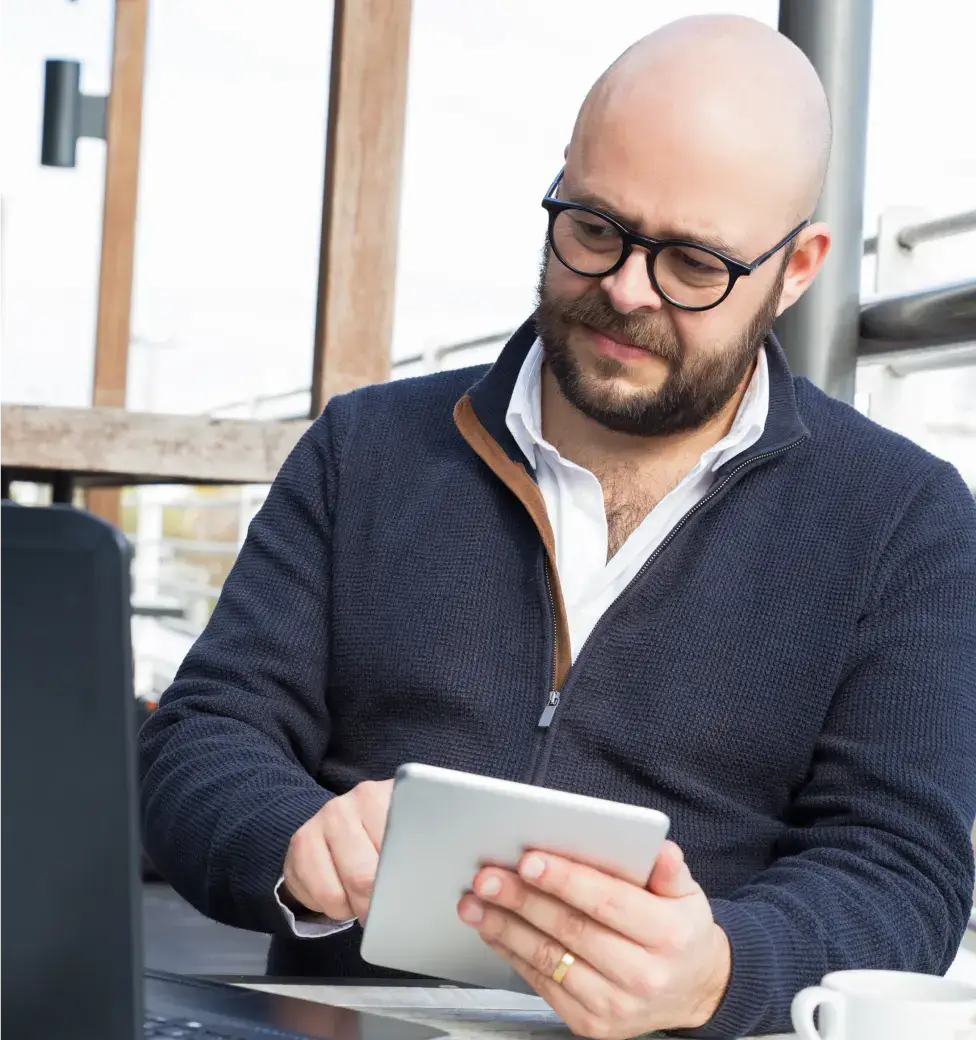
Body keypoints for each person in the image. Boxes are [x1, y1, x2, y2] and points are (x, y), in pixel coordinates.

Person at [140, 13, 976, 1039]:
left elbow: (902, 874)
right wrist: (292, 839)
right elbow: (201, 739)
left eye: (691, 264)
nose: (624, 290)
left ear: (797, 268)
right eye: (592, 228)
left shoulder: (903, 518)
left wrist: (721, 968)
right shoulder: (367, 449)